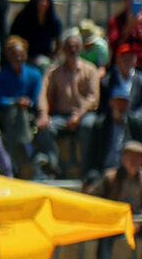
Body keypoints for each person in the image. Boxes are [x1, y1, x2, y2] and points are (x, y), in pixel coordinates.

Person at [34, 33, 100, 180]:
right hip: (61, 116)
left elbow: (93, 98)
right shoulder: (54, 71)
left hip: (84, 115)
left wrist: (79, 115)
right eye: (69, 47)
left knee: (89, 126)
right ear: (64, 49)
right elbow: (43, 93)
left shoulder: (90, 70)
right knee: (44, 127)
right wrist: (43, 114)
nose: (72, 50)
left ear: (81, 48)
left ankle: (85, 171)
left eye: (76, 46)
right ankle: (54, 167)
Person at [85, 140, 142, 259]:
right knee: (105, 235)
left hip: (137, 222)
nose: (134, 162)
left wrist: (138, 221)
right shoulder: (111, 177)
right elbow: (93, 197)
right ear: (123, 159)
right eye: (131, 158)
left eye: (138, 158)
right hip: (114, 221)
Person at [0, 35, 42, 174]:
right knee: (15, 112)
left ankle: (11, 159)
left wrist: (27, 103)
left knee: (19, 113)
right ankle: (29, 148)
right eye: (14, 55)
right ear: (9, 56)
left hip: (29, 115)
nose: (18, 58)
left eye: (21, 55)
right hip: (8, 114)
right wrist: (15, 101)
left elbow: (36, 97)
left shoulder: (34, 74)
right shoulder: (1, 75)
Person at [84, 86, 142, 190]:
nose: (121, 106)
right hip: (104, 172)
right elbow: (91, 154)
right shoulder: (101, 125)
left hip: (128, 171)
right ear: (111, 103)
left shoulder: (134, 124)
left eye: (124, 103)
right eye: (118, 102)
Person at [8, 0, 60, 69]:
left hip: (45, 58)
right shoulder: (23, 18)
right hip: (25, 59)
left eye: (46, 1)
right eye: (40, 0)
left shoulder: (53, 20)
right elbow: (13, 38)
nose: (43, 4)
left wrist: (52, 56)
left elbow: (58, 42)